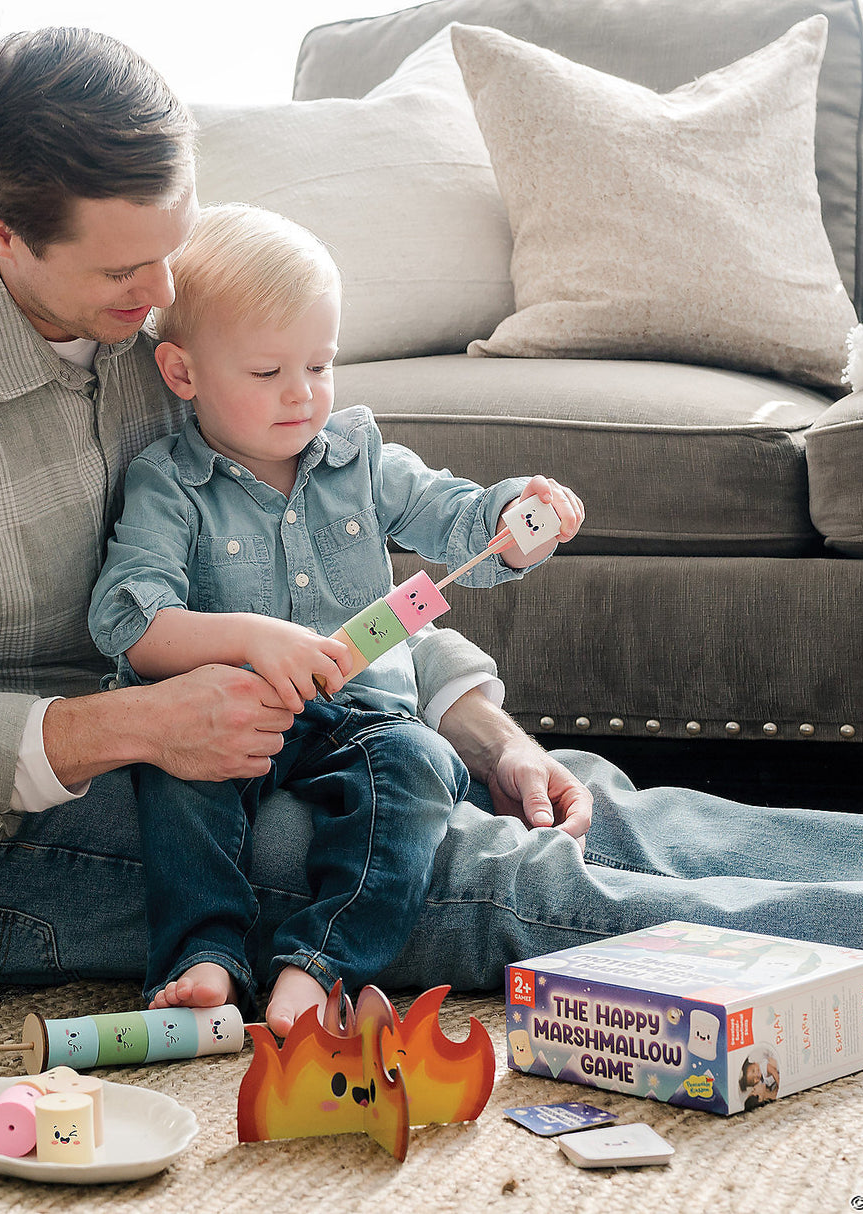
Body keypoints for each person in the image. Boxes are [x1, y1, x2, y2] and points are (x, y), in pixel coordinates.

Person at [0, 27, 863, 1011]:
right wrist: (134, 726)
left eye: (174, 244)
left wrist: (490, 737)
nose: (163, 295)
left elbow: (320, 558)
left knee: (558, 801)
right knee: (471, 872)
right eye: (127, 271)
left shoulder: (159, 330)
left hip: (246, 734)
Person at [86, 204, 584, 1033]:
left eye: (320, 364)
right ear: (183, 374)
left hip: (358, 712)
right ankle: (202, 956)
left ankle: (319, 967)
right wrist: (247, 639)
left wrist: (516, 517)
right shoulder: (168, 483)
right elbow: (130, 621)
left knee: (420, 767)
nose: (301, 394)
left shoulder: (358, 459)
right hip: (229, 709)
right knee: (175, 780)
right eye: (267, 372)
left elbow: (456, 519)